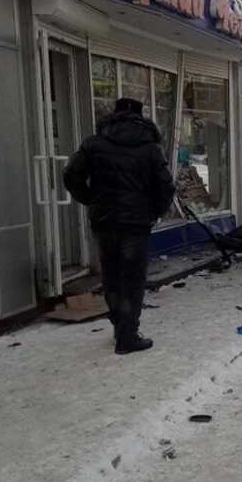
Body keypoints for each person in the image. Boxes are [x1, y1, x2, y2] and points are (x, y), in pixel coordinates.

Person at [63, 98, 175, 355]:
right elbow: (166, 186)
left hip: (105, 222)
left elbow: (70, 175)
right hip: (136, 224)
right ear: (140, 117)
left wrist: (91, 199)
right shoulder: (150, 149)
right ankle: (128, 335)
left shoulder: (94, 144)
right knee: (133, 279)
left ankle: (119, 327)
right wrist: (155, 211)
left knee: (112, 277)